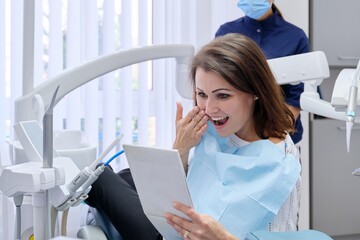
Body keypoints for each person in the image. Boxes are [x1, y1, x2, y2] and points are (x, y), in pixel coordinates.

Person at [85, 33, 301, 240]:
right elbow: (192, 182)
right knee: (127, 176)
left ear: (256, 92)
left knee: (98, 175)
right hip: (177, 219)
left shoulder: (280, 161)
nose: (209, 108)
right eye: (201, 94)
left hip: (172, 234)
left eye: (223, 96)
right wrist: (181, 148)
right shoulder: (212, 128)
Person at [215, 0, 310, 146]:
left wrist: (273, 139)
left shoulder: (295, 37)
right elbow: (217, 85)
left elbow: (296, 97)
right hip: (234, 136)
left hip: (278, 135)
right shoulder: (226, 33)